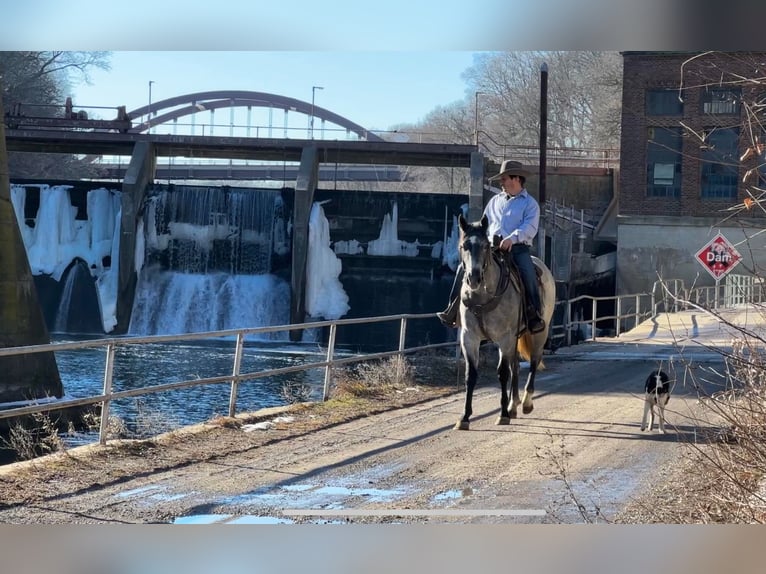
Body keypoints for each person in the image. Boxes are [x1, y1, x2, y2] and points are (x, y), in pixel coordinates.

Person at [437, 160, 546, 333]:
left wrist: (512, 238)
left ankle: (534, 315)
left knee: (529, 274)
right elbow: (484, 223)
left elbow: (530, 228)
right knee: (462, 269)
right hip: (490, 249)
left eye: (504, 179)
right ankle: (452, 310)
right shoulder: (495, 201)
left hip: (517, 249)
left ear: (516, 179)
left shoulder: (530, 204)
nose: (501, 183)